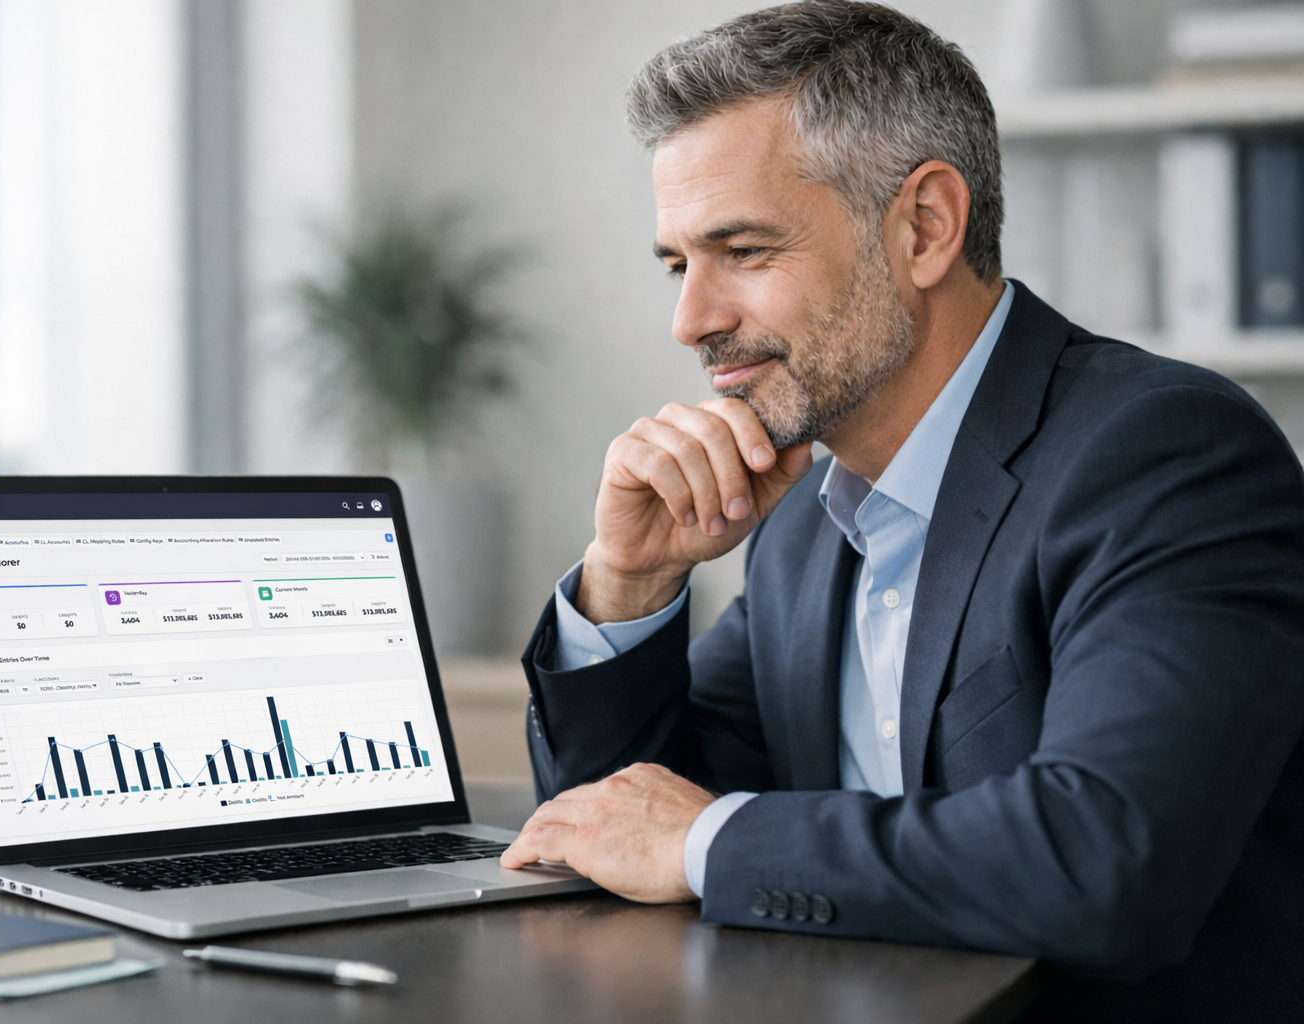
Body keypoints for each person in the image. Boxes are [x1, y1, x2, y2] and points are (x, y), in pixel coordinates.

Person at [495, 2, 1304, 1019]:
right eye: (676, 263)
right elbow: (618, 830)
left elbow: (1108, 858)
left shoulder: (1165, 454)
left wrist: (708, 840)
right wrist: (630, 586)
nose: (690, 320)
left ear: (924, 226)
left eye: (740, 251)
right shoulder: (801, 515)